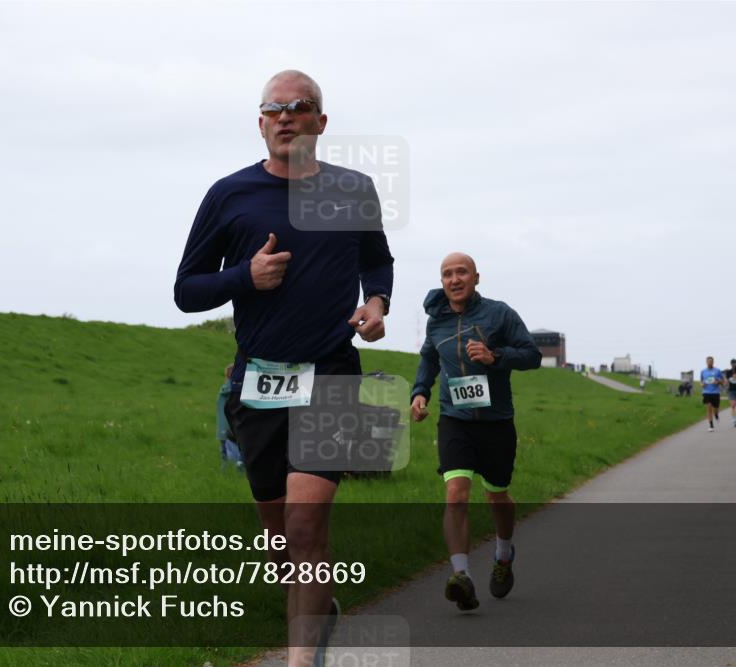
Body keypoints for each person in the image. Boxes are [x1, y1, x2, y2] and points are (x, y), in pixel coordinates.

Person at [174, 70, 394, 667]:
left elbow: (377, 262)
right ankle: (318, 608)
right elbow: (186, 290)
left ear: (321, 122)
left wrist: (376, 305)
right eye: (274, 108)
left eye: (300, 106)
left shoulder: (353, 190)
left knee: (304, 524)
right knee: (279, 536)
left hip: (330, 372)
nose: (286, 115)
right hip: (258, 380)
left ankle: (301, 660)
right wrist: (246, 276)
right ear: (261, 123)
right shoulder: (230, 195)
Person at [409, 252, 541, 611]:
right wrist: (420, 392)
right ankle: (461, 575)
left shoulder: (499, 314)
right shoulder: (436, 321)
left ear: (476, 278)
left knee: (497, 496)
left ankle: (503, 554)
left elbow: (532, 355)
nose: (454, 279)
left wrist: (495, 356)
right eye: (447, 274)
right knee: (455, 494)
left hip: (496, 422)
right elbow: (429, 357)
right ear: (442, 281)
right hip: (455, 420)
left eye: (461, 272)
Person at [217, 363, 244, 470]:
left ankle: (225, 467)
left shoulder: (223, 389)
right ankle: (238, 465)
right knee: (240, 447)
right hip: (233, 426)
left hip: (222, 426)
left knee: (224, 449)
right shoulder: (235, 390)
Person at [700, 356, 725, 432]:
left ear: (713, 362)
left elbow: (723, 381)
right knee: (709, 407)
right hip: (706, 392)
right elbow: (701, 381)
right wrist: (702, 385)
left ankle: (716, 414)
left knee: (715, 408)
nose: (710, 362)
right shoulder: (703, 371)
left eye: (711, 361)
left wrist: (718, 382)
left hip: (715, 392)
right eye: (708, 361)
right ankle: (711, 425)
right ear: (706, 362)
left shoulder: (717, 371)